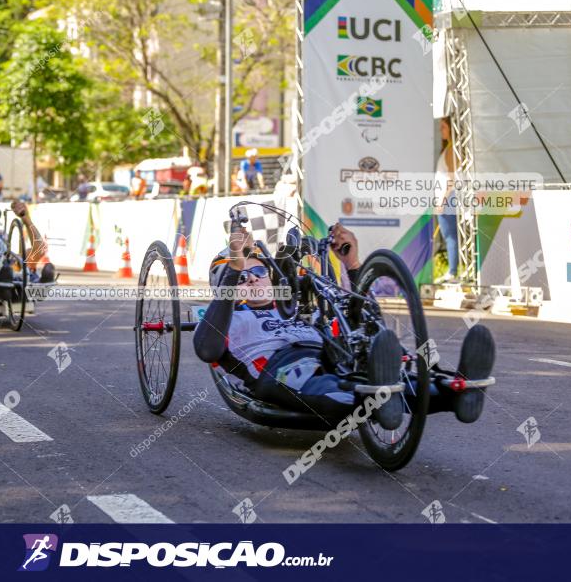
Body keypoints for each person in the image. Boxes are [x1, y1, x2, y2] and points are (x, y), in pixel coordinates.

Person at [193, 222, 495, 427]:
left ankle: (458, 390)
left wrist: (352, 264)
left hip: (329, 355)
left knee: (374, 361)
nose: (252, 279)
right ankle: (375, 398)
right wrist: (232, 271)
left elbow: (366, 323)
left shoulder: (299, 309)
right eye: (239, 277)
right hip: (280, 370)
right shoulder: (227, 319)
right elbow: (208, 349)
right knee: (326, 386)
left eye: (257, 270)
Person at [435, 116, 458, 283]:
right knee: (449, 235)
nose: (440, 130)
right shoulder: (448, 149)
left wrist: (442, 200)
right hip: (446, 198)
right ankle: (452, 271)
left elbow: (452, 178)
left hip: (448, 199)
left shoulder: (451, 150)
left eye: (443, 127)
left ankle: (452, 272)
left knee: (450, 236)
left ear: (451, 128)